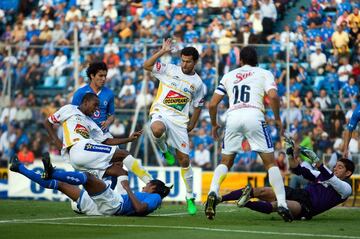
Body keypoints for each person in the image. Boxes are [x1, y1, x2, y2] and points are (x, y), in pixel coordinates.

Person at [205, 46, 292, 221]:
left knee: (226, 161)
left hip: (233, 117)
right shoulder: (264, 73)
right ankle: (282, 203)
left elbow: (212, 104)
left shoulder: (229, 75)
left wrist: (214, 124)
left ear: (241, 61)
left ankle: (213, 191)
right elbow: (274, 97)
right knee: (270, 163)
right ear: (256, 60)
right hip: (254, 115)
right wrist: (278, 119)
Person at [218, 139, 354, 221]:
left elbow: (332, 180)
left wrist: (317, 161)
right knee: (260, 190)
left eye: (340, 167)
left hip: (307, 207)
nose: (336, 168)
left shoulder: (346, 188)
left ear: (348, 173)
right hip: (299, 193)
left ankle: (245, 203)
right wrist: (289, 153)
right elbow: (297, 169)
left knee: (278, 205)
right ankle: (220, 198)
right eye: (336, 166)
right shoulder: (321, 174)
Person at [143, 39, 205, 215]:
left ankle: (190, 197)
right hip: (161, 113)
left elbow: (198, 105)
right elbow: (147, 66)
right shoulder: (169, 69)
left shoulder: (199, 84)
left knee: (184, 161)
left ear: (195, 62)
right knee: (156, 129)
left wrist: (192, 123)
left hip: (179, 121)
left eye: (188, 61)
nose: (184, 64)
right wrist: (163, 51)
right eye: (183, 60)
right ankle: (164, 150)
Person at [43, 92, 153, 184]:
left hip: (83, 156)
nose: (96, 109)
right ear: (85, 102)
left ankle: (117, 201)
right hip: (79, 148)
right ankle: (151, 183)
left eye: (97, 107)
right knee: (124, 154)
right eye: (95, 105)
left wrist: (128, 139)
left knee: (120, 172)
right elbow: (47, 123)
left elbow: (106, 141)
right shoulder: (69, 109)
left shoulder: (91, 123)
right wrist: (57, 142)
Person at [9, 155, 170, 216]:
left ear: (154, 187)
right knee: (59, 185)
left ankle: (52, 172)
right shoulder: (148, 194)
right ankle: (19, 168)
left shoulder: (155, 197)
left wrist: (128, 189)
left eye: (147, 185)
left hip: (115, 204)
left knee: (88, 178)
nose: (143, 187)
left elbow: (140, 209)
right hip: (99, 208)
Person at [72, 61, 115, 135]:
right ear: (92, 76)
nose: (104, 79)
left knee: (116, 147)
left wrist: (107, 122)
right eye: (100, 76)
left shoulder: (109, 93)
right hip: (85, 134)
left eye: (105, 76)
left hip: (103, 134)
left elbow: (112, 115)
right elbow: (73, 114)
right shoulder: (80, 93)